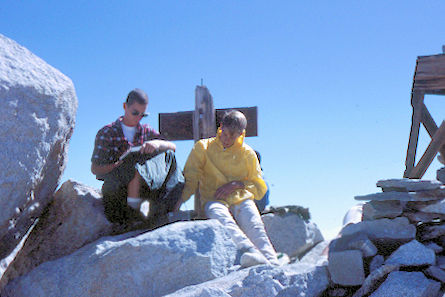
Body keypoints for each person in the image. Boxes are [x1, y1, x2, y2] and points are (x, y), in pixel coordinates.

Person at [178, 110, 279, 268]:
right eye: (225, 133)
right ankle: (249, 251)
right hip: (214, 201)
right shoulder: (203, 148)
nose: (227, 138)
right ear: (220, 128)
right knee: (221, 217)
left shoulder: (247, 153)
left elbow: (259, 188)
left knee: (255, 225)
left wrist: (237, 184)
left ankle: (273, 264)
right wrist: (178, 204)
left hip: (242, 198)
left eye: (234, 135)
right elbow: (191, 179)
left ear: (242, 134)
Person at [91, 88, 184, 230]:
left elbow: (172, 147)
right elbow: (95, 169)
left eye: (143, 115)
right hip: (118, 192)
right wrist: (118, 166)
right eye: (135, 113)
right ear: (124, 107)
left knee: (168, 157)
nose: (138, 118)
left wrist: (156, 143)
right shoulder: (107, 133)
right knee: (133, 165)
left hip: (144, 190)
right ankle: (131, 216)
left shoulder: (146, 131)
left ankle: (165, 211)